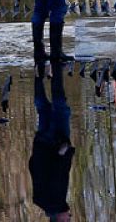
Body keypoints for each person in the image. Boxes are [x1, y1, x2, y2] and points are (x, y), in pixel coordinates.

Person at [29, 62, 74, 221]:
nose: (69, 216)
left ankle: (56, 71)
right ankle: (38, 74)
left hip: (56, 144)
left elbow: (58, 173)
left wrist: (64, 153)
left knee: (60, 107)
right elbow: (32, 167)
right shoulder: (40, 200)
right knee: (43, 108)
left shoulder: (56, 201)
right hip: (41, 144)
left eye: (67, 220)